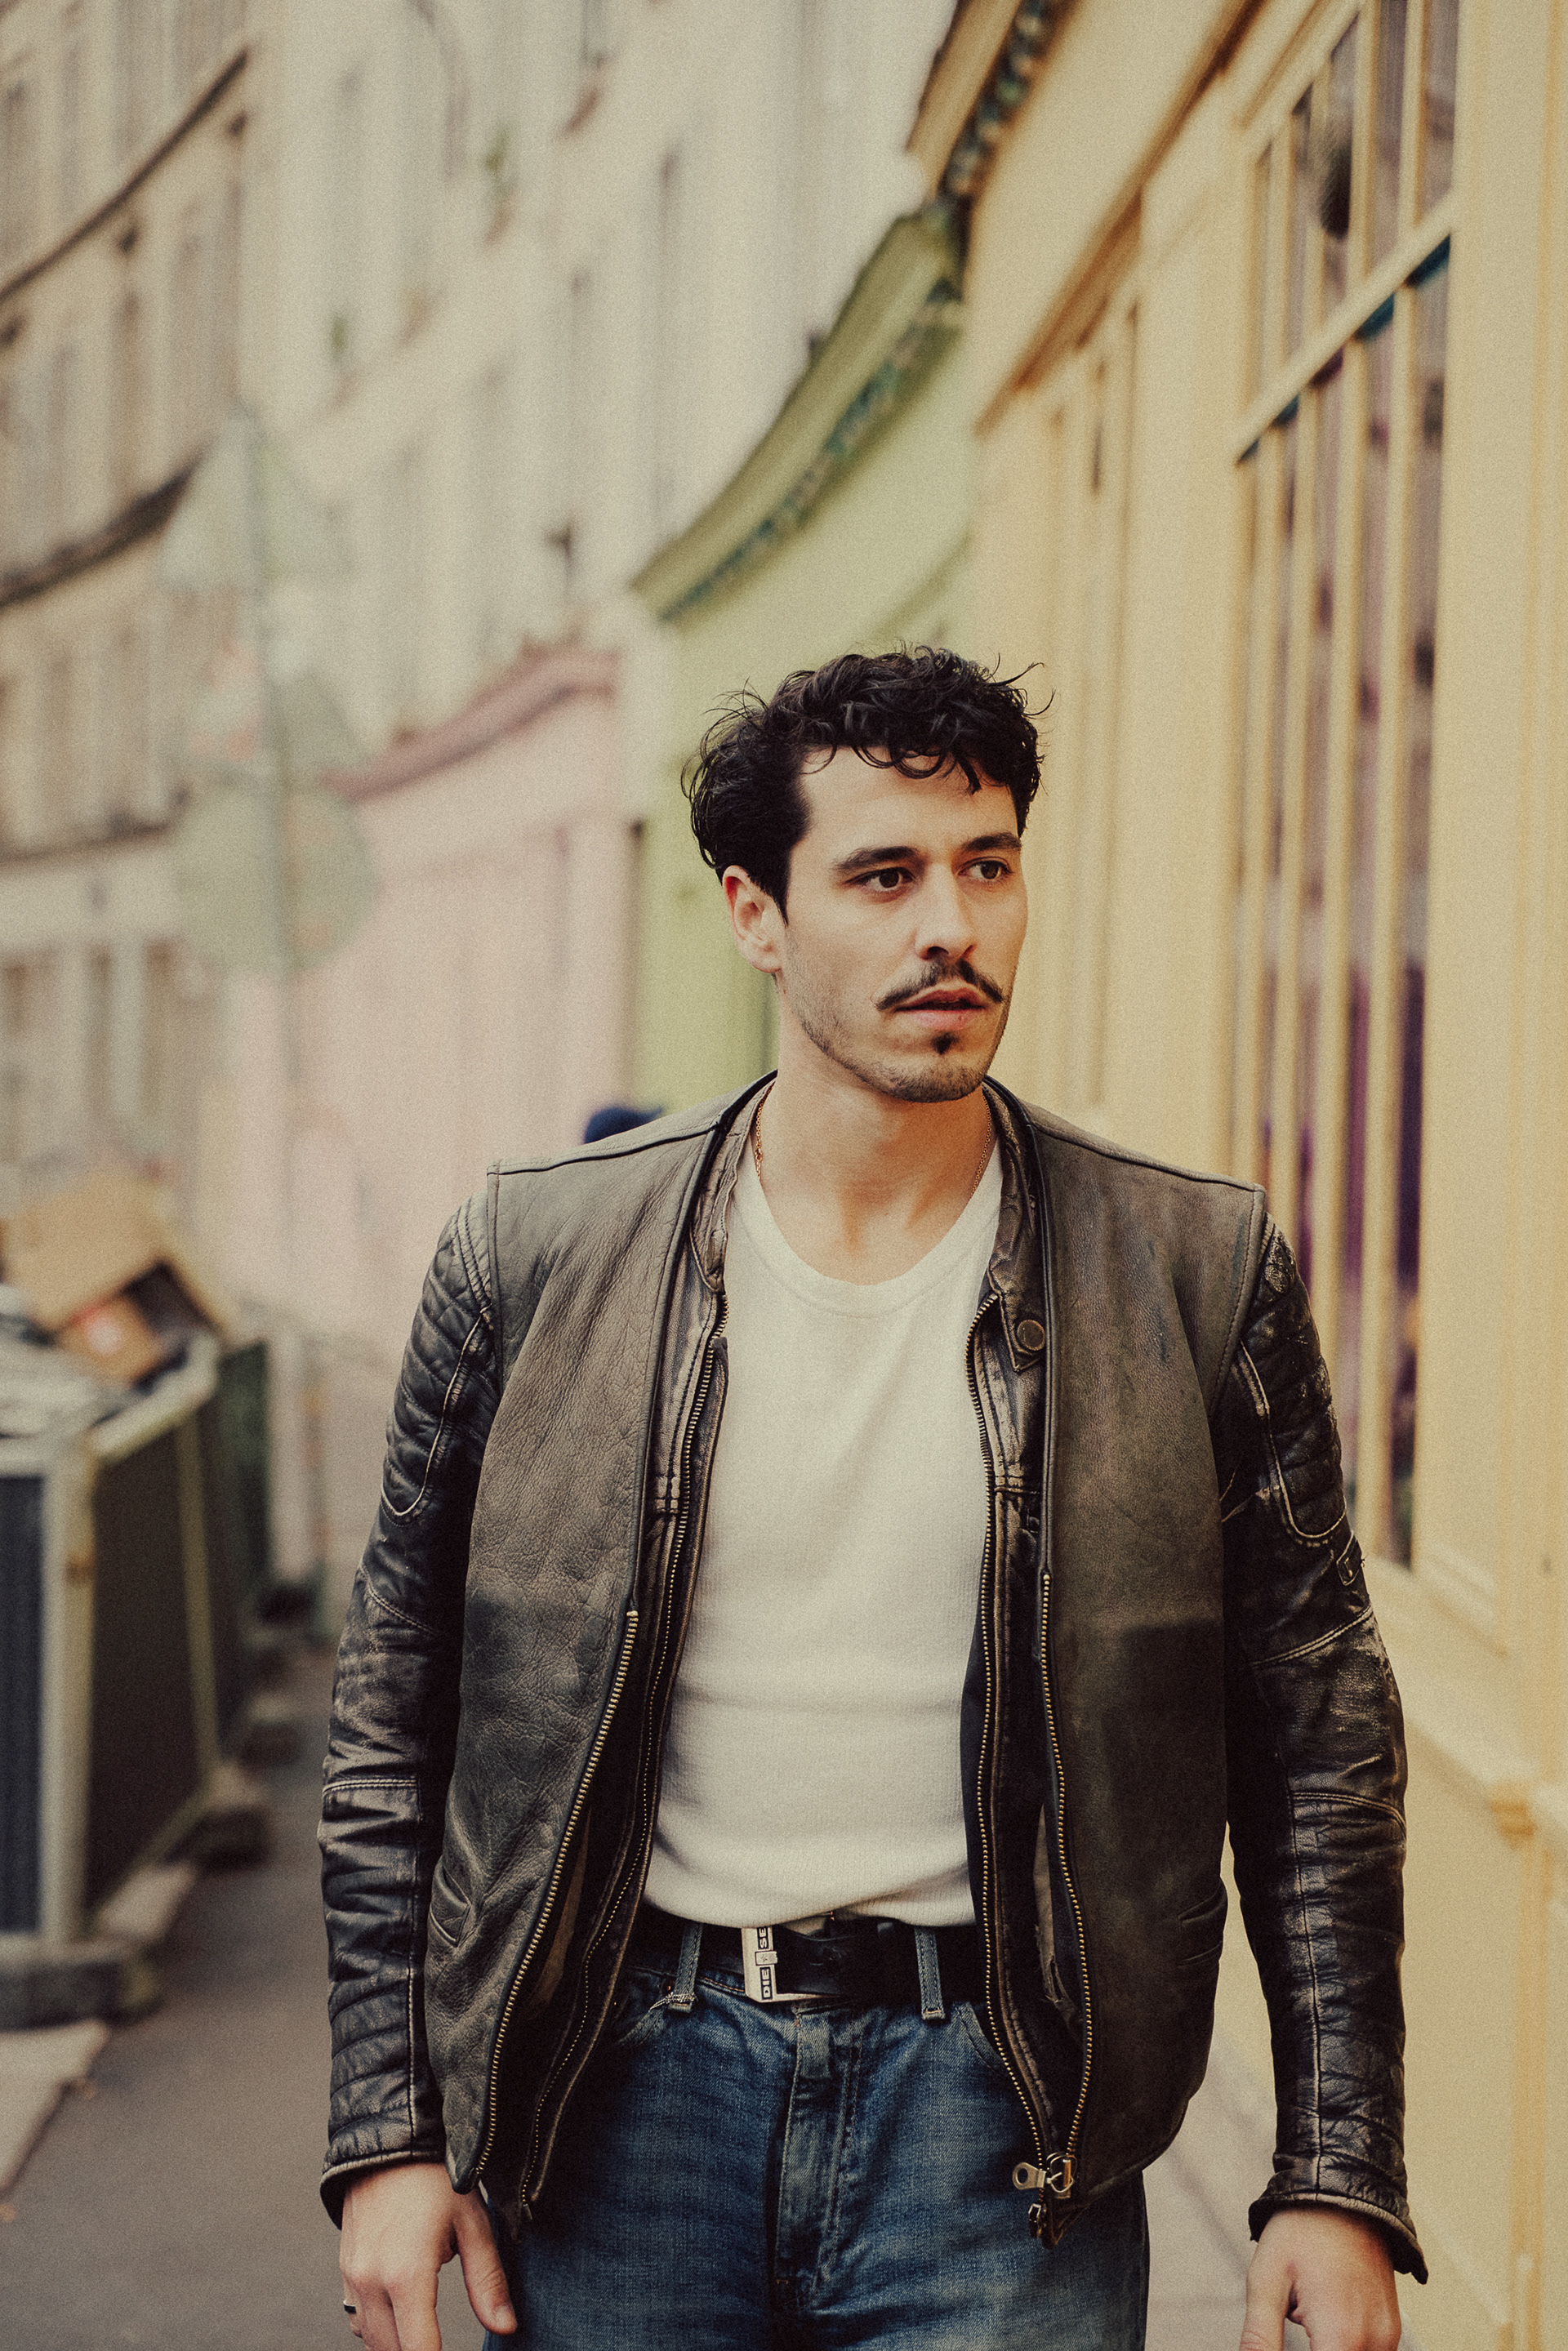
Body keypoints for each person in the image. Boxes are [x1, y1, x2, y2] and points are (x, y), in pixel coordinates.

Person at [320, 648, 1422, 2351]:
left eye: (988, 866)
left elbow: (1319, 1739)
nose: (951, 929)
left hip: (1005, 2120)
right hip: (624, 2099)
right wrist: (388, 2133)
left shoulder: (1194, 1271)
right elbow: (394, 1714)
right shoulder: (529, 1260)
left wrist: (1335, 2172)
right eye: (885, 876)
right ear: (756, 913)